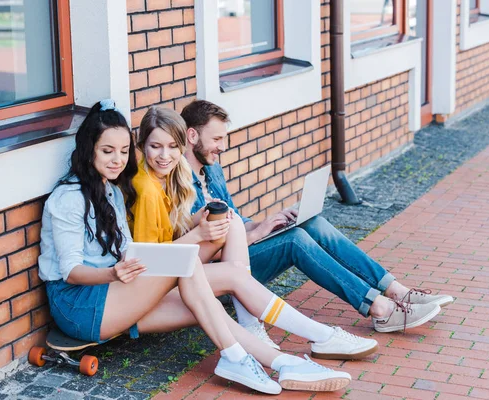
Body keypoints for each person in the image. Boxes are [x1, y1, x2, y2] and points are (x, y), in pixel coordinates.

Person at [37, 100, 349, 395]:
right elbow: (71, 272)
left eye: (122, 151)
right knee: (185, 264)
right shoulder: (67, 198)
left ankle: (285, 362)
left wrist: (140, 260)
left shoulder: (111, 191)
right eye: (107, 151)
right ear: (88, 149)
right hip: (79, 306)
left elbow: (128, 248)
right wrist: (115, 273)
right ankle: (271, 350)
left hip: (117, 293)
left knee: (215, 302)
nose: (117, 160)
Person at [181, 100, 454, 333]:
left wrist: (266, 223)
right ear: (192, 136)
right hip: (222, 271)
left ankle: (396, 290)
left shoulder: (212, 170)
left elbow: (237, 222)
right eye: (217, 139)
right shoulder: (179, 187)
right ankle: (379, 308)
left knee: (312, 222)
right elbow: (206, 250)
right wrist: (256, 234)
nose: (223, 147)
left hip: (244, 249)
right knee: (294, 240)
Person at [130, 106, 378, 363]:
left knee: (243, 220)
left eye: (172, 147)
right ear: (142, 146)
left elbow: (171, 230)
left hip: (183, 266)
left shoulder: (172, 176)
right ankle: (323, 336)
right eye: (156, 146)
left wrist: (211, 220)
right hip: (155, 285)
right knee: (278, 249)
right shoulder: (149, 189)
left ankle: (384, 290)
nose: (165, 155)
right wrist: (199, 233)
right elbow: (153, 261)